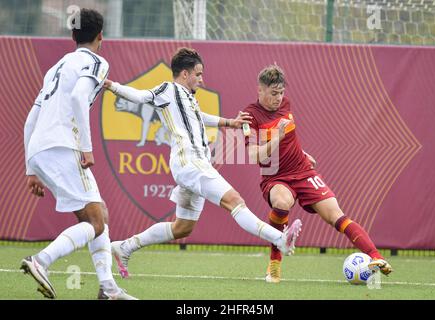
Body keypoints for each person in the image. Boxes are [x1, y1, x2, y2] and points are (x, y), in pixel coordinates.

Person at [104, 47, 302, 278]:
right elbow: (141, 97)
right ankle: (280, 239)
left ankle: (124, 247)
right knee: (235, 200)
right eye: (198, 74)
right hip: (189, 162)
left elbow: (199, 117)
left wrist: (230, 122)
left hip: (193, 165)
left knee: (182, 227)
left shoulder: (187, 98)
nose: (201, 78)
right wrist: (112, 86)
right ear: (185, 74)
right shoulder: (169, 90)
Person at [21, 8, 136, 300]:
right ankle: (41, 261)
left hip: (39, 148)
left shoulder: (57, 67)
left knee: (98, 215)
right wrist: (87, 147)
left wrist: (30, 168)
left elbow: (30, 120)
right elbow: (77, 97)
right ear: (101, 37)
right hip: (63, 147)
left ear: (73, 35)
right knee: (96, 222)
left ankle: (108, 289)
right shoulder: (97, 61)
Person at [243, 65, 393, 283]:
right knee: (282, 202)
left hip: (303, 171)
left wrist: (301, 152)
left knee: (336, 215)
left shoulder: (285, 104)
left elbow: (290, 137)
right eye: (274, 93)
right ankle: (274, 264)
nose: (279, 98)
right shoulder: (250, 116)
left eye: (281, 93)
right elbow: (254, 155)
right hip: (275, 176)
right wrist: (277, 136)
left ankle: (376, 257)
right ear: (260, 90)